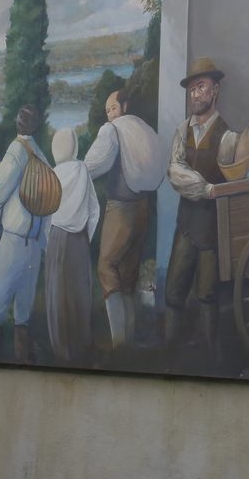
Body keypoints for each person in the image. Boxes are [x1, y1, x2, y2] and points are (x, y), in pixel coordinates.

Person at [165, 58, 241, 358]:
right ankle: (169, 354)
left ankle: (211, 356)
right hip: (186, 224)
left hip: (212, 227)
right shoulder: (183, 131)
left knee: (208, 295)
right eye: (192, 89)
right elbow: (174, 171)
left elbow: (228, 175)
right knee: (173, 292)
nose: (196, 94)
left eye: (202, 87)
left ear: (215, 90)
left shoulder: (228, 137)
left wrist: (204, 189)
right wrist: (206, 188)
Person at [84, 88, 167, 349]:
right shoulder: (141, 128)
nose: (110, 114)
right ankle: (128, 339)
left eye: (113, 108)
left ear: (125, 107)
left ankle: (118, 340)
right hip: (142, 208)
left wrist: (76, 172)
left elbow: (95, 163)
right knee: (129, 273)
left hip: (121, 209)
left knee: (107, 266)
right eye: (107, 110)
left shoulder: (113, 130)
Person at [0, 106, 52, 364]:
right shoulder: (41, 155)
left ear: (18, 124)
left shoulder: (17, 150)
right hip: (34, 244)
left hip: (13, 240)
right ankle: (21, 366)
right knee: (23, 314)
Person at [48, 127, 101, 366]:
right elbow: (94, 209)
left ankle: (61, 347)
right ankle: (83, 344)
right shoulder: (82, 170)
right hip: (79, 240)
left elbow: (46, 214)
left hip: (57, 238)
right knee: (80, 293)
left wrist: (50, 240)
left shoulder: (51, 174)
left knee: (58, 293)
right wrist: (84, 237)